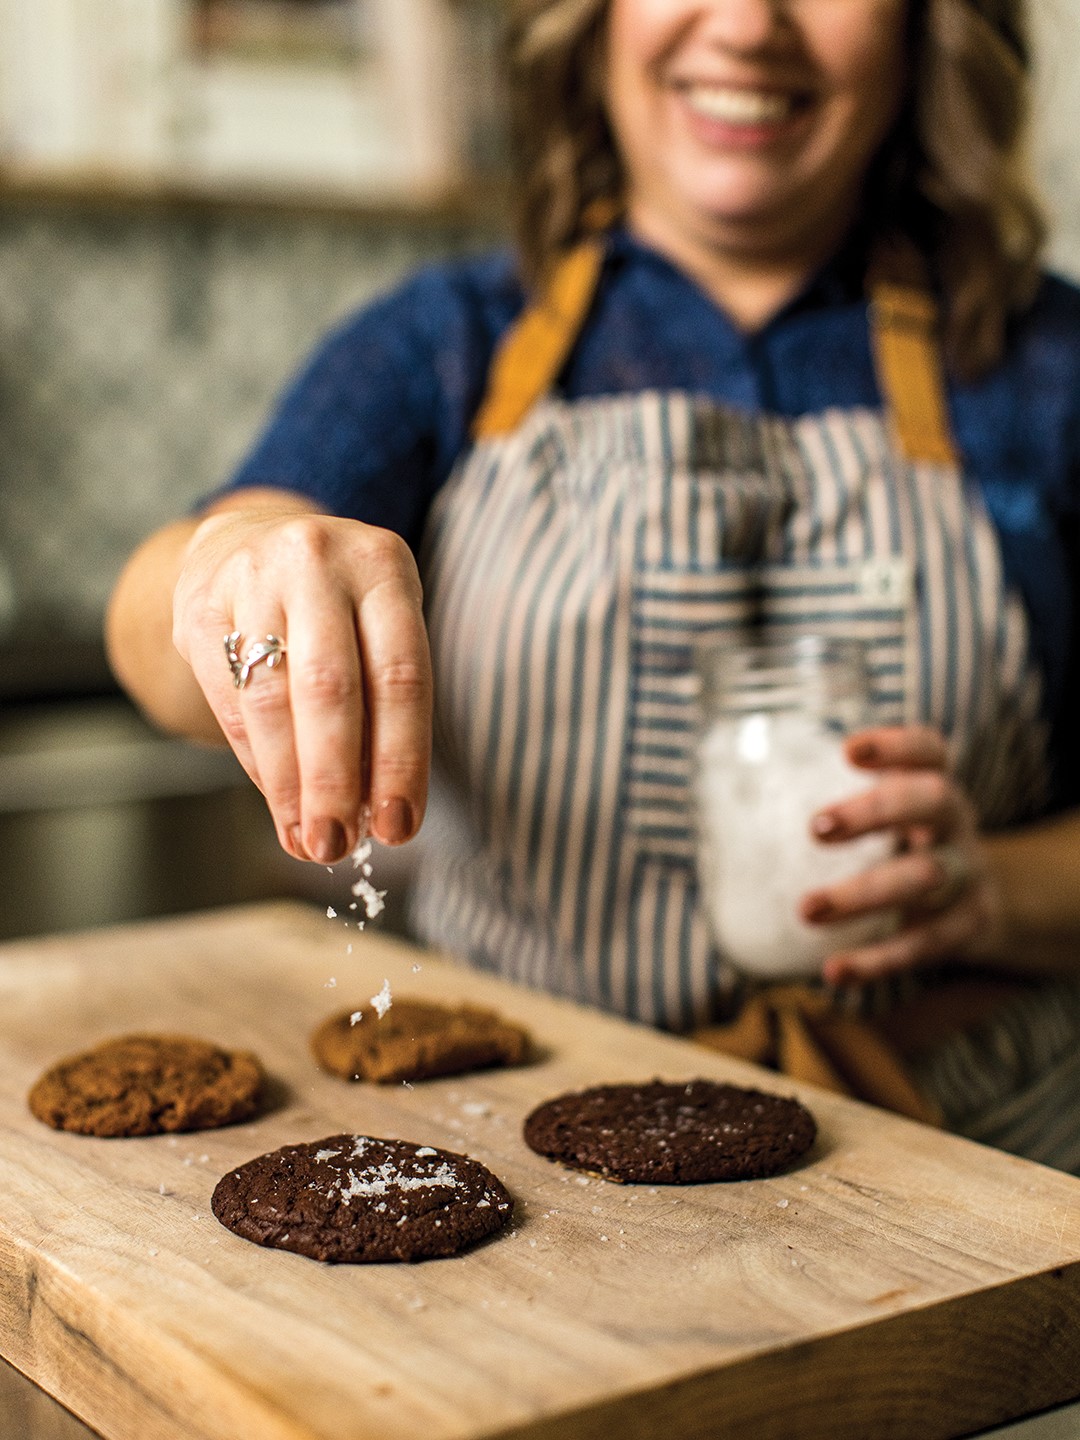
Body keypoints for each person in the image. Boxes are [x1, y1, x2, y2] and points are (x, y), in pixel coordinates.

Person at [106, 0, 1080, 1168]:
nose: (749, 28)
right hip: (521, 1151)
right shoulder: (444, 342)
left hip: (979, 1161)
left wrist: (992, 891)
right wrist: (232, 561)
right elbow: (154, 646)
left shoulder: (1049, 372)